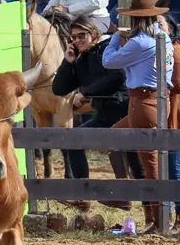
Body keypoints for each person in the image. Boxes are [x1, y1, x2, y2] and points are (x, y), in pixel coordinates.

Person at [50, 17, 142, 210]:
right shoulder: (81, 59)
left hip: (125, 112)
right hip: (103, 117)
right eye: (73, 37)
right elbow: (59, 89)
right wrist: (68, 63)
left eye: (81, 35)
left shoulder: (108, 48)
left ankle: (153, 209)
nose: (77, 40)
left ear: (93, 33)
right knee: (73, 140)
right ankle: (83, 195)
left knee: (137, 164)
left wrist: (86, 93)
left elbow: (118, 76)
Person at [102, 0, 174, 234]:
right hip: (158, 99)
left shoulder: (139, 42)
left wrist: (114, 39)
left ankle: (153, 217)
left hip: (142, 102)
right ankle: (152, 214)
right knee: (120, 140)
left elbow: (109, 61)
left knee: (150, 163)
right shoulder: (163, 37)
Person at [160, 13, 180, 233]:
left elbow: (179, 86)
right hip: (168, 116)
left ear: (170, 29)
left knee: (173, 169)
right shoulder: (166, 51)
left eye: (160, 24)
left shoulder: (177, 52)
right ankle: (168, 216)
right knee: (167, 170)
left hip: (175, 119)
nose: (156, 27)